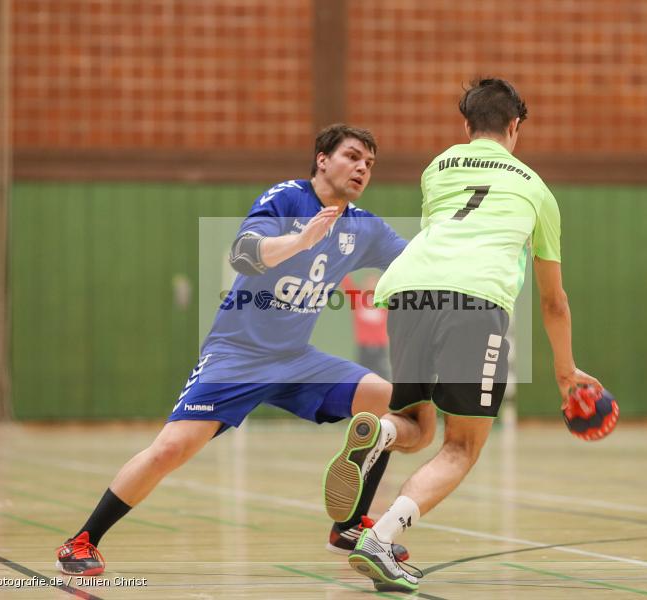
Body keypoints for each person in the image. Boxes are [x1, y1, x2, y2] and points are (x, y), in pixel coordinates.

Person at [55, 123, 434, 576]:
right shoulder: (288, 198)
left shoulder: (362, 226)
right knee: (170, 450)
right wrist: (299, 240)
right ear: (321, 159)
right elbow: (243, 253)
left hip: (295, 358)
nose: (361, 168)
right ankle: (82, 541)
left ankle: (349, 525)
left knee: (393, 404)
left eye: (369, 164)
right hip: (238, 355)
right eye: (352, 156)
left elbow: (416, 262)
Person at [322, 78, 603, 593]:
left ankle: (380, 433)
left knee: (416, 424)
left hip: (409, 292)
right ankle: (381, 540)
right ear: (515, 126)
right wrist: (566, 373)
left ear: (466, 125)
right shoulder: (536, 189)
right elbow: (553, 301)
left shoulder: (439, 167)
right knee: (461, 446)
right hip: (475, 301)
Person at [340, 273, 391, 380]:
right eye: (369, 282)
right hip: (363, 347)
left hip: (380, 347)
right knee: (362, 378)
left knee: (383, 378)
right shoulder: (357, 298)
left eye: (374, 283)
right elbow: (345, 282)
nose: (371, 286)